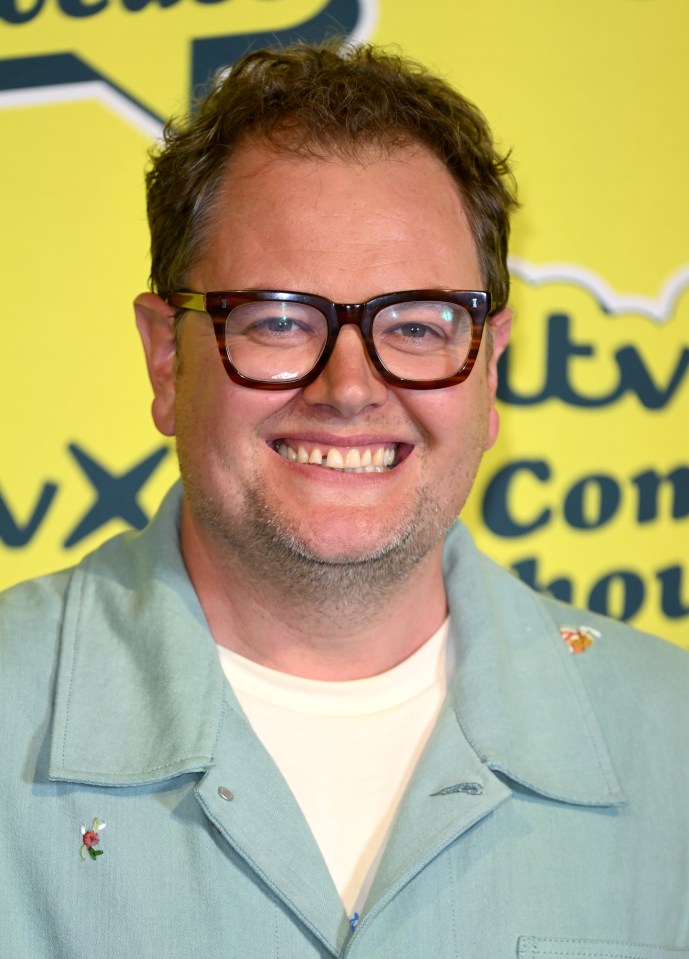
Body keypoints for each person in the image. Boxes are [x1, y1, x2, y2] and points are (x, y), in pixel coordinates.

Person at [1, 42, 687, 959]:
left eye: (417, 324)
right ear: (166, 357)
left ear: (490, 367)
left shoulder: (670, 741)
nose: (351, 386)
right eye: (281, 318)